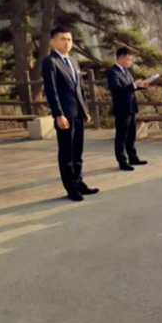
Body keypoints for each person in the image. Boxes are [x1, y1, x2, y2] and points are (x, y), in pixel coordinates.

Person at [42, 26, 99, 202]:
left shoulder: (73, 61)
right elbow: (51, 91)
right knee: (66, 152)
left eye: (69, 39)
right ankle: (71, 188)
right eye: (63, 39)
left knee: (77, 151)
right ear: (53, 41)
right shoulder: (50, 62)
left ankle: (79, 183)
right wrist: (58, 114)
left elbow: (79, 88)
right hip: (64, 114)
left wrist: (85, 110)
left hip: (78, 112)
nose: (67, 42)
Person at [107, 47, 149, 171]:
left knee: (131, 135)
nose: (130, 62)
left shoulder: (126, 71)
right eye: (128, 60)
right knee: (121, 136)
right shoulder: (113, 72)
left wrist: (141, 86)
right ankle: (122, 161)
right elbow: (117, 90)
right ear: (120, 58)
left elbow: (130, 87)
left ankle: (133, 157)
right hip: (121, 108)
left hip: (131, 106)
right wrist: (134, 85)